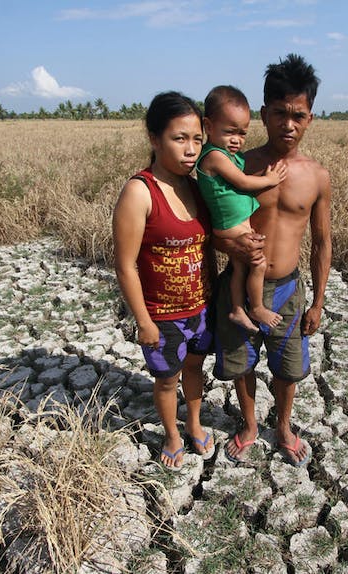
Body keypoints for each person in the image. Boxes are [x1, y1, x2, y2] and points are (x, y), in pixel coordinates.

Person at [214, 54, 331, 467]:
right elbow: (210, 224)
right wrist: (229, 247)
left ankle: (282, 427)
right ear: (263, 113)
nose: (288, 124)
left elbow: (321, 243)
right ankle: (248, 425)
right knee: (241, 363)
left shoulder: (316, 176)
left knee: (287, 368)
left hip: (287, 289)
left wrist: (317, 302)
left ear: (310, 118)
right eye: (279, 113)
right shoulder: (238, 166)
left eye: (298, 115)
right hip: (241, 285)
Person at [111, 91, 215, 471]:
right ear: (154, 139)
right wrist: (143, 321)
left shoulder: (197, 184)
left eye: (197, 139)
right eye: (179, 138)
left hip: (201, 308)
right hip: (162, 315)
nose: (191, 149)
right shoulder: (140, 191)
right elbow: (125, 265)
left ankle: (195, 423)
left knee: (194, 370)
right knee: (167, 380)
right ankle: (172, 434)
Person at [196, 85, 288, 333]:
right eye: (229, 132)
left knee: (239, 268)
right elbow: (243, 182)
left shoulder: (228, 154)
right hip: (230, 227)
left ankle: (237, 309)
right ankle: (256, 307)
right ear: (208, 126)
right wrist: (270, 180)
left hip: (233, 226)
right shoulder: (214, 156)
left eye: (242, 134)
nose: (236, 140)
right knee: (257, 263)